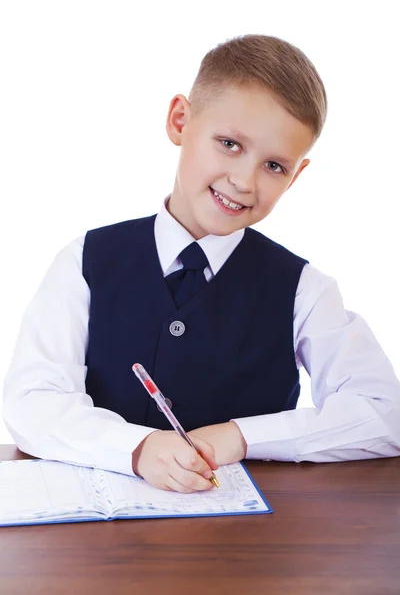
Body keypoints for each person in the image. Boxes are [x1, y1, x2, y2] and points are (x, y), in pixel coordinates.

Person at [3, 35, 400, 494]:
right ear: (179, 122)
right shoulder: (84, 262)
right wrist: (136, 448)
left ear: (296, 176)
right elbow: (31, 402)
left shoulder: (304, 289)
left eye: (274, 166)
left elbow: (383, 411)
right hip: (100, 543)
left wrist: (240, 436)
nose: (243, 181)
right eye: (229, 143)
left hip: (249, 544)